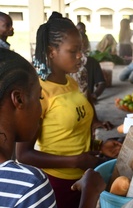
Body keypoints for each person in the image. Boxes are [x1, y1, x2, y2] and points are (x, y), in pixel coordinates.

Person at [16, 14, 122, 208]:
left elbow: (74, 134)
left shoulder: (71, 83)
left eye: (80, 50)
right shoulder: (39, 92)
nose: (80, 56)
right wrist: (76, 161)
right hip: (57, 183)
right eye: (73, 51)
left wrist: (99, 146)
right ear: (51, 52)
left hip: (85, 178)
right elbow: (23, 154)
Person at [0, 48, 106, 208]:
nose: (40, 109)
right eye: (38, 98)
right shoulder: (29, 186)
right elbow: (24, 154)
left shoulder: (73, 83)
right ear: (19, 100)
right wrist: (90, 194)